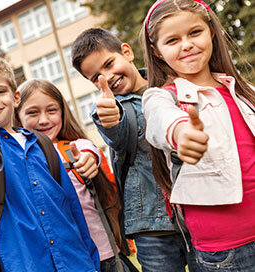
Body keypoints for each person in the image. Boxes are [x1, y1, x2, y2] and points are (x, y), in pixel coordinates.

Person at [0, 54, 100, 271]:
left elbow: (72, 208)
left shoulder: (42, 144)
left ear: (15, 98)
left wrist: (90, 261)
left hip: (76, 262)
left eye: (0, 91)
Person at [71, 28, 199, 272]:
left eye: (109, 64)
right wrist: (111, 119)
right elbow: (115, 131)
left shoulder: (172, 88)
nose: (106, 78)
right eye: (95, 77)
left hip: (196, 211)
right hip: (151, 226)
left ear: (127, 52)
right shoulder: (112, 108)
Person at [141, 0, 255, 270]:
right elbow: (160, 120)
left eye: (195, 33)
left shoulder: (244, 90)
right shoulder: (161, 97)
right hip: (225, 251)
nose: (187, 44)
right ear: (157, 52)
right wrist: (181, 132)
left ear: (211, 32)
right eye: (172, 40)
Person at [14, 78, 138, 272]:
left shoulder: (73, 148)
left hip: (105, 256)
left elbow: (89, 152)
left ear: (63, 112)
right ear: (17, 117)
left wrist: (88, 160)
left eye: (52, 110)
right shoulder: (18, 160)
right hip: (64, 262)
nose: (44, 119)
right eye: (32, 112)